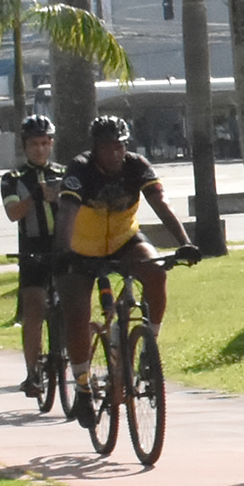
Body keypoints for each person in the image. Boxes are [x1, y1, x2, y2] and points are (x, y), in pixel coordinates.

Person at [53, 116, 196, 423]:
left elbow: (159, 201)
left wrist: (184, 242)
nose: (115, 154)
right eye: (107, 148)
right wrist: (64, 252)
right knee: (76, 314)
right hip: (80, 248)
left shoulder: (137, 165)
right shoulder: (80, 169)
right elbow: (66, 212)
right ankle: (82, 387)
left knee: (156, 272)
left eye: (119, 147)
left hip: (124, 240)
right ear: (95, 149)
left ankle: (148, 348)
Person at [1, 114, 63, 395]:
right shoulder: (13, 179)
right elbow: (13, 213)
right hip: (33, 249)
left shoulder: (65, 173)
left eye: (45, 143)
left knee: (74, 303)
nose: (40, 149)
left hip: (63, 246)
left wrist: (58, 198)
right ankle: (32, 372)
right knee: (34, 307)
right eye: (34, 144)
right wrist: (34, 198)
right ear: (25, 146)